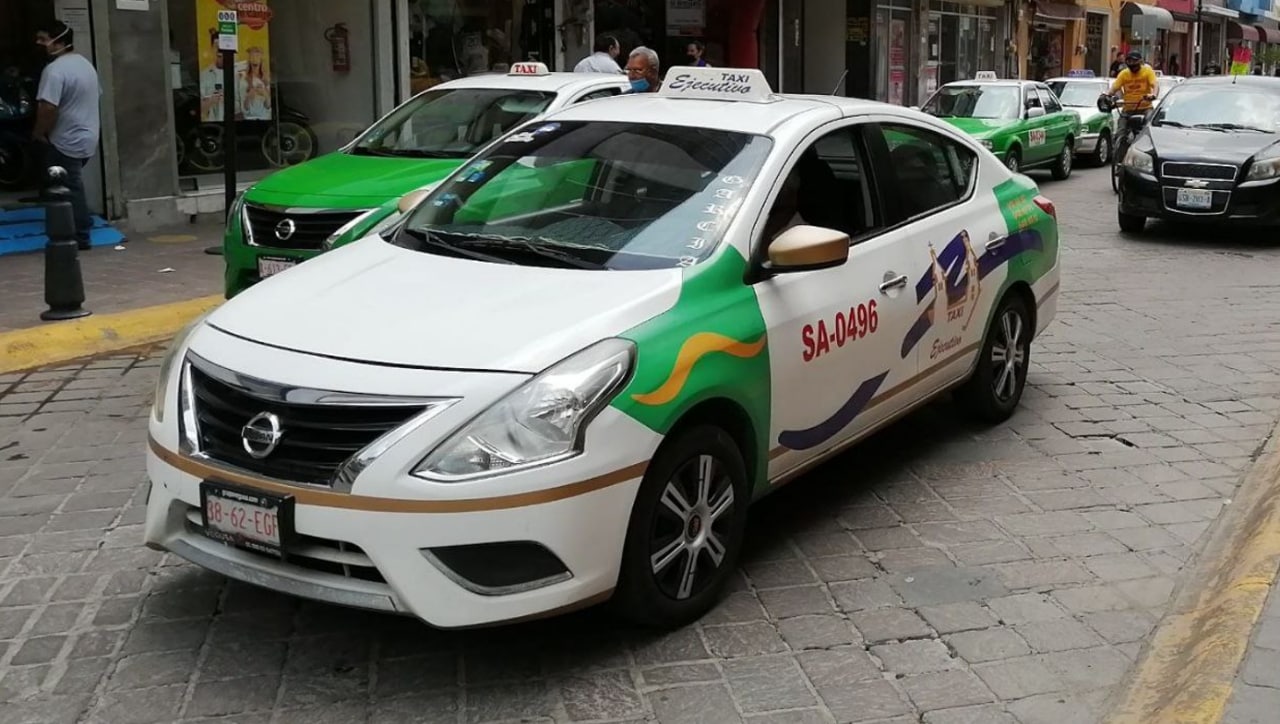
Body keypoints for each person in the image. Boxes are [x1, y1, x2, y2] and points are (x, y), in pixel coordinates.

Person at [31, 20, 100, 251]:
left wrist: (39, 133)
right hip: (87, 136)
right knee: (68, 186)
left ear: (58, 41)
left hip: (65, 140)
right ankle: (76, 226)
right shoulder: (85, 64)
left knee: (70, 188)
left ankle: (80, 236)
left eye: (43, 39)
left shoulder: (54, 70)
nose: (39, 44)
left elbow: (48, 108)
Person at [1108, 50, 1158, 117]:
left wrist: (1153, 95)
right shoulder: (1123, 74)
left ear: (1140, 61)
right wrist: (1107, 95)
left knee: (1149, 122)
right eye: (1129, 61)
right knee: (1121, 125)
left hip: (1145, 108)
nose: (1132, 63)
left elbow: (1155, 85)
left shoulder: (1148, 71)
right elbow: (1114, 88)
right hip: (1128, 109)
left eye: (1134, 61)